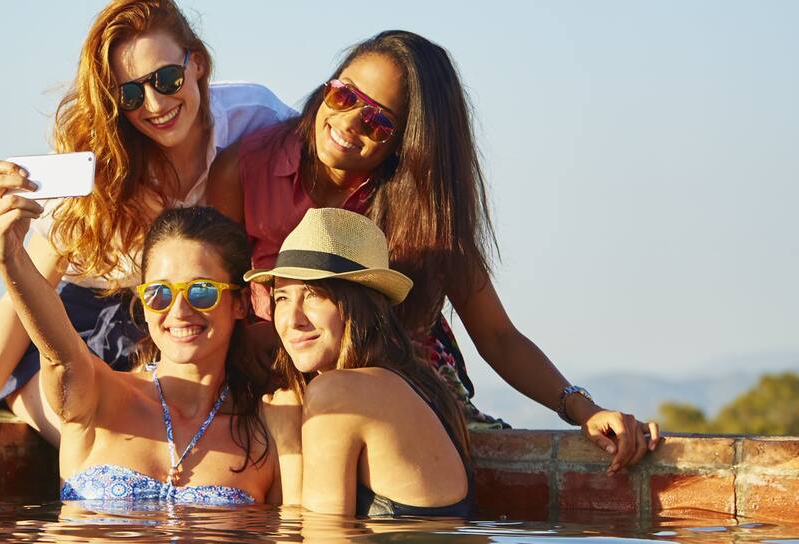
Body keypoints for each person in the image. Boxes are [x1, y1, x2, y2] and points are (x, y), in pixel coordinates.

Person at [208, 30, 661, 475]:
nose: (348, 123)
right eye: (344, 95)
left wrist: (583, 409)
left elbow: (498, 336)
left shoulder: (425, 213)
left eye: (378, 122)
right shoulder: (246, 168)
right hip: (270, 383)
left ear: (406, 143)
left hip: (394, 387)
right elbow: (216, 291)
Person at [0, 0, 293, 445]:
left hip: (194, 317)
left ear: (196, 62)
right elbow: (30, 286)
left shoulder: (258, 119)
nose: (155, 104)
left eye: (166, 79)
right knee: (111, 449)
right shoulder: (98, 165)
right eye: (131, 94)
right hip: (78, 326)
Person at [0, 202, 290, 505]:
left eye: (202, 291)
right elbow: (60, 355)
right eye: (159, 293)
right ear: (144, 305)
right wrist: (11, 259)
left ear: (240, 303)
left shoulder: (267, 434)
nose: (179, 310)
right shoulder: (98, 398)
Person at [247, 207, 472, 517]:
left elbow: (318, 534)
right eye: (282, 298)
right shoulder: (413, 383)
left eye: (314, 294)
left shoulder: (338, 391)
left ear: (360, 305)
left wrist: (287, 441)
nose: (293, 319)